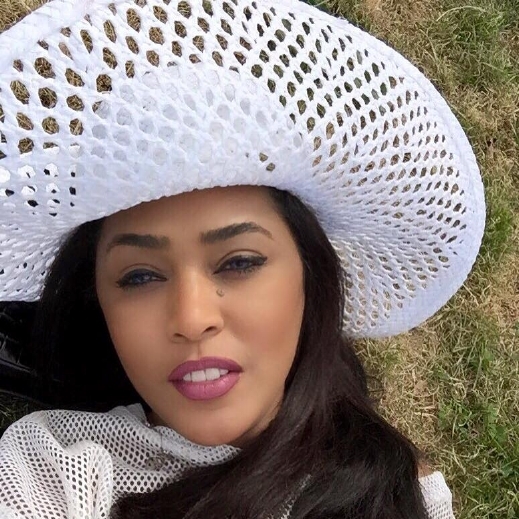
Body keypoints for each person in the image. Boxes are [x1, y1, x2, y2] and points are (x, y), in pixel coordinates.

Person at [0, 0, 485, 518]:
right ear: (97, 299)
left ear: (311, 276)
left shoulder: (400, 491)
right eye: (139, 276)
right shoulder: (50, 470)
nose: (192, 318)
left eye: (239, 262)